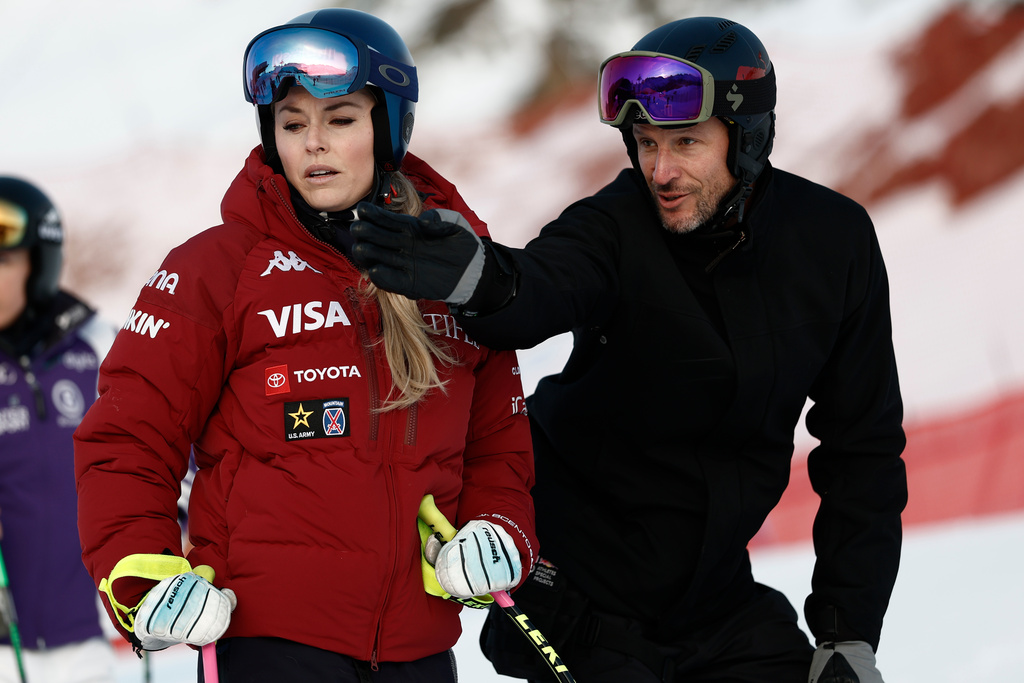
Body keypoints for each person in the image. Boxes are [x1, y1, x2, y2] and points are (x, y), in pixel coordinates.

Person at [350, 15, 908, 683]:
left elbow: (863, 449)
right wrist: (480, 276)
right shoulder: (616, 225)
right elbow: (539, 287)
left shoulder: (832, 243)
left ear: (749, 137)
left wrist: (849, 631)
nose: (660, 170)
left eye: (685, 142)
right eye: (644, 143)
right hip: (581, 597)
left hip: (719, 603)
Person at [73, 8, 537, 682]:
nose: (313, 143)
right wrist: (143, 574)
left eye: (340, 119)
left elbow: (500, 447)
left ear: (388, 125)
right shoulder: (217, 270)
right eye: (292, 123)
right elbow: (127, 442)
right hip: (270, 645)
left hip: (420, 652)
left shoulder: (459, 271)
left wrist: (498, 530)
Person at [0, 176, 116, 682]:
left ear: (39, 265)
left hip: (89, 642)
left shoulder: (98, 347)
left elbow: (177, 464)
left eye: (2, 262)